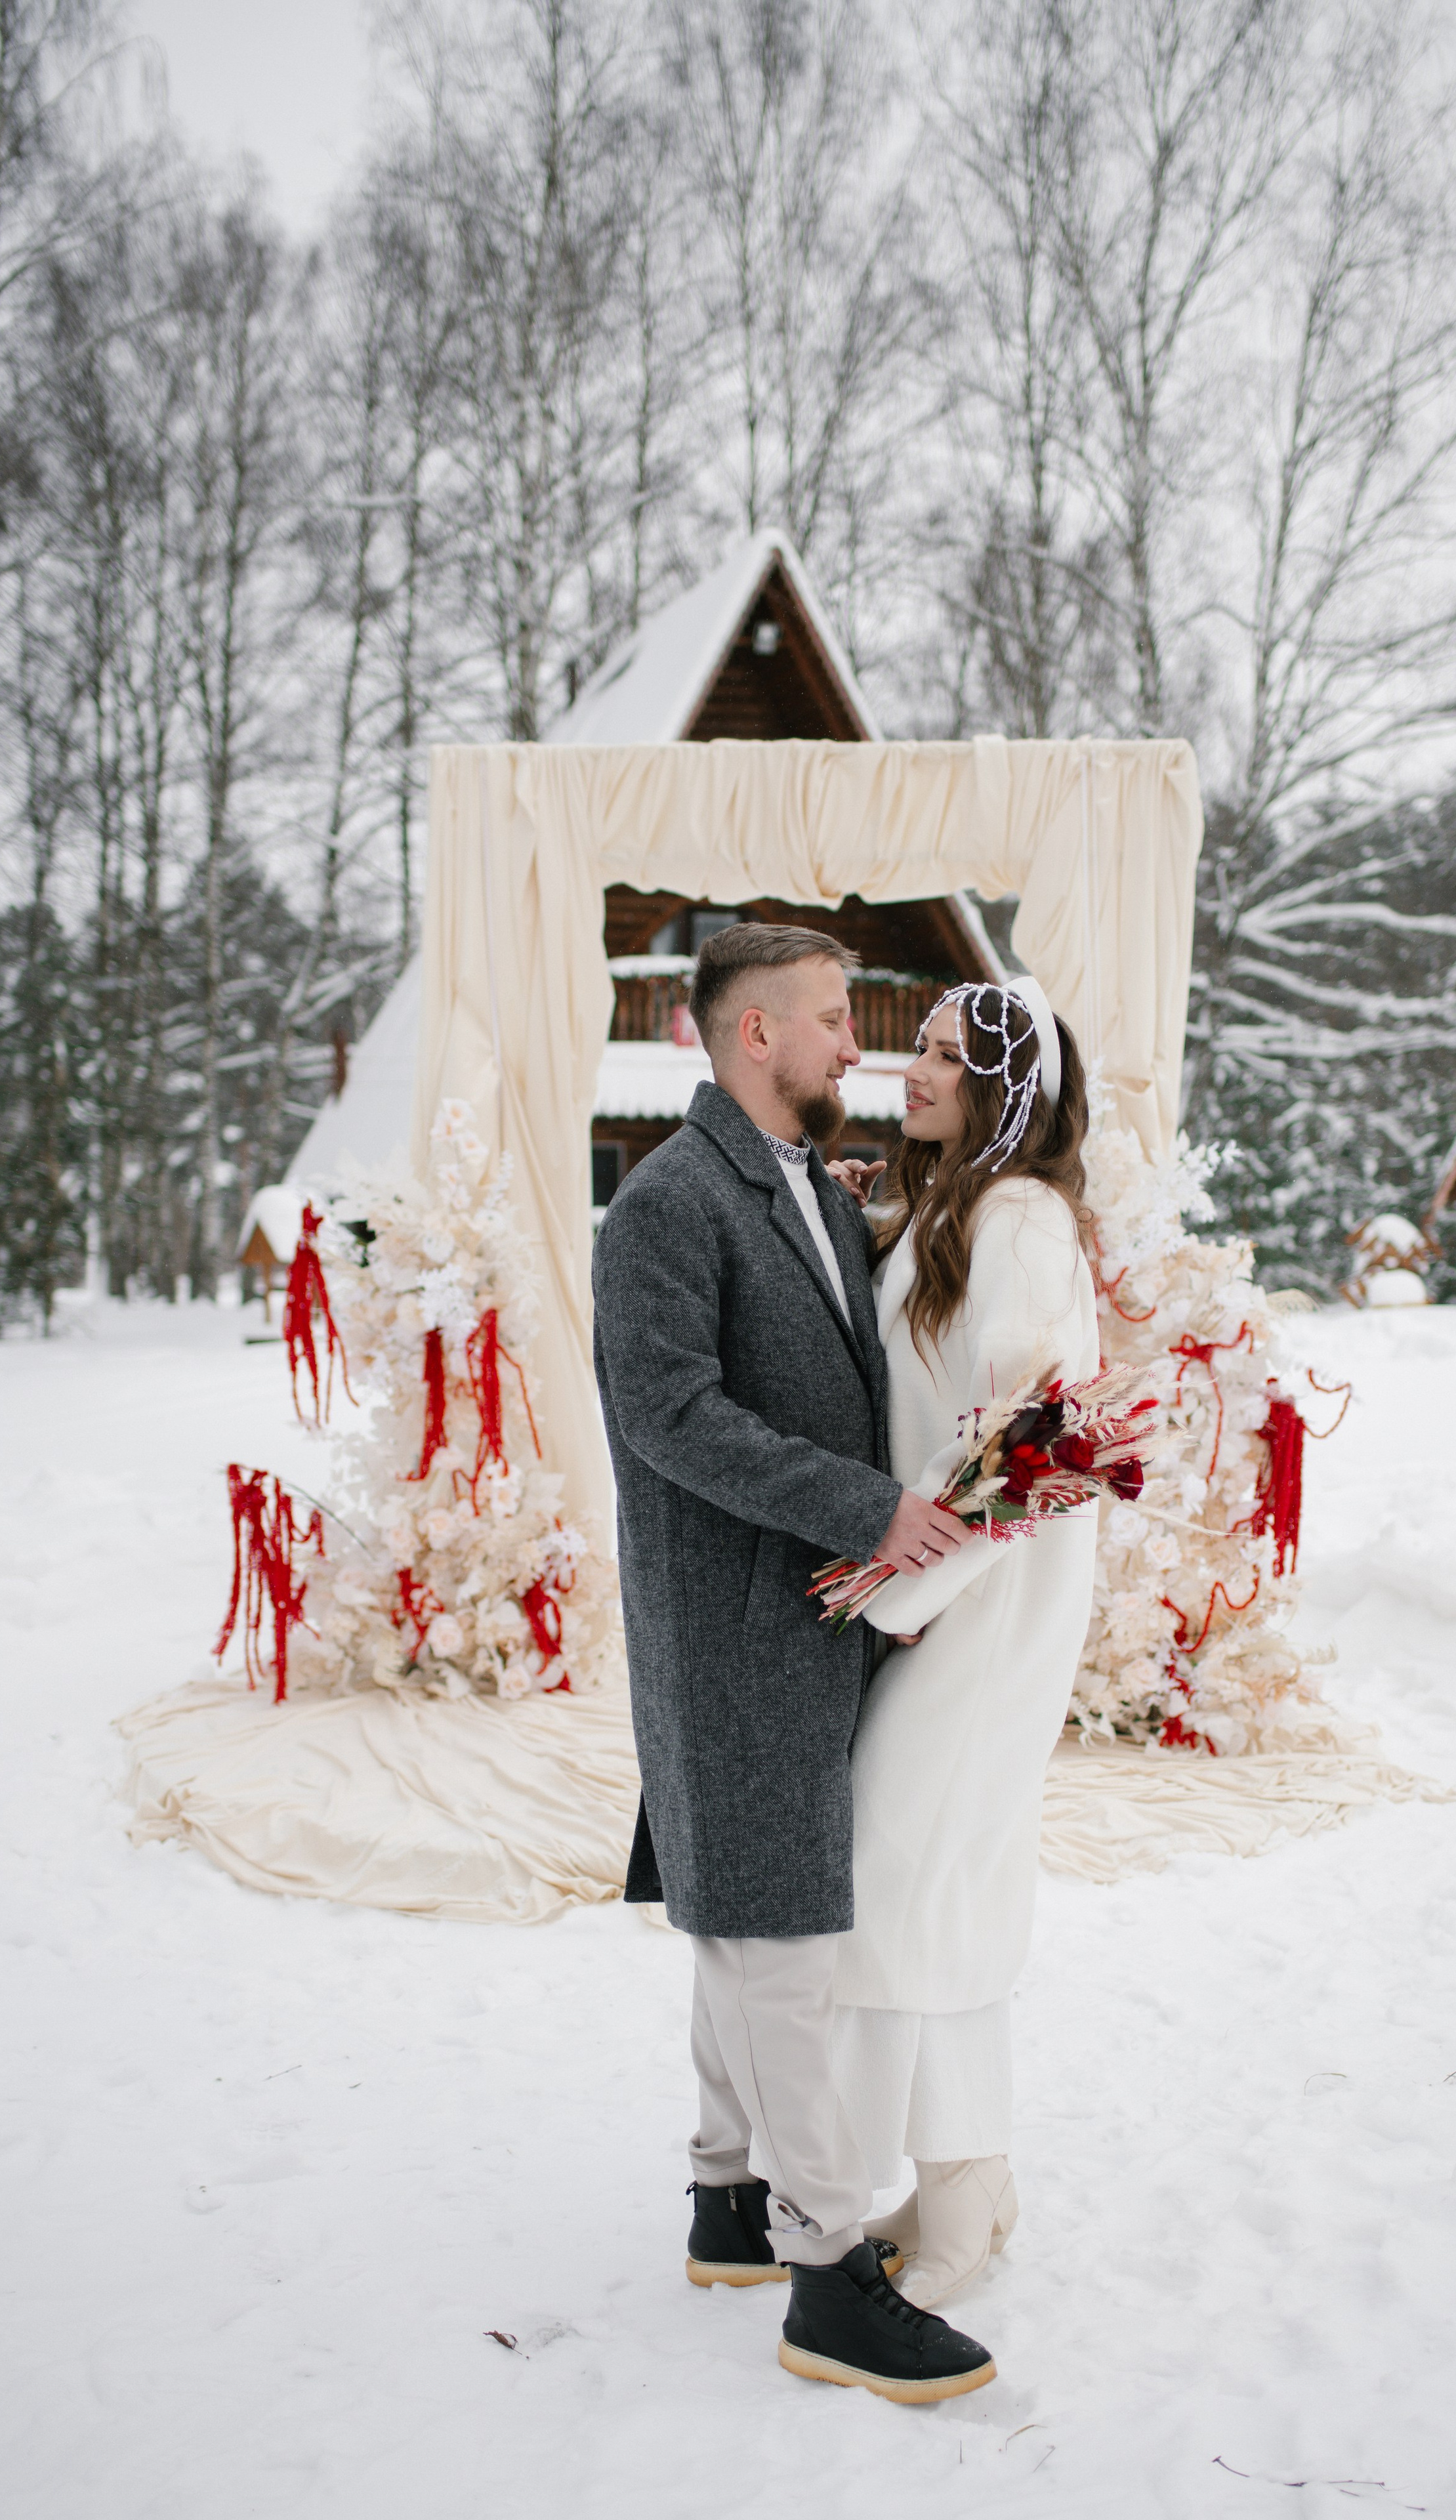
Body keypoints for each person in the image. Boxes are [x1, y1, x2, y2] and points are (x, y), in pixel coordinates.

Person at [591, 923, 998, 2406]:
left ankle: (725, 2201)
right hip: (733, 1632)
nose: (858, 1047)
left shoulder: (803, 1192)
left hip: (808, 1622)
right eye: (833, 1020)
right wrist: (873, 1514)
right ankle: (829, 2275)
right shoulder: (662, 1205)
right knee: (785, 1956)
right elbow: (667, 1416)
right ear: (753, 1036)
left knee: (742, 1924)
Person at [827, 977, 1099, 2313]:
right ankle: (962, 2179)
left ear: (1006, 1088)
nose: (913, 1066)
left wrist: (897, 1577)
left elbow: (1032, 1437)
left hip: (987, 1606)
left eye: (944, 1054)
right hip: (937, 1597)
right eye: (917, 1045)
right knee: (926, 1883)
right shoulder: (947, 1209)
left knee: (913, 1874)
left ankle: (961, 2192)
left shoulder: (1020, 1219)